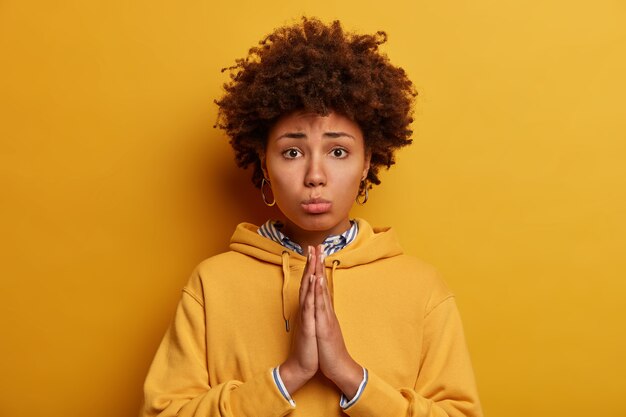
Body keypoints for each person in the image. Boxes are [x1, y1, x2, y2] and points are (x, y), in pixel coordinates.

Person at [140, 17, 483, 417]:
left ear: (367, 160)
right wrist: (289, 375)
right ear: (264, 163)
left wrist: (351, 377)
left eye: (338, 151)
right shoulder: (211, 285)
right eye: (292, 152)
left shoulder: (422, 289)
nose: (315, 176)